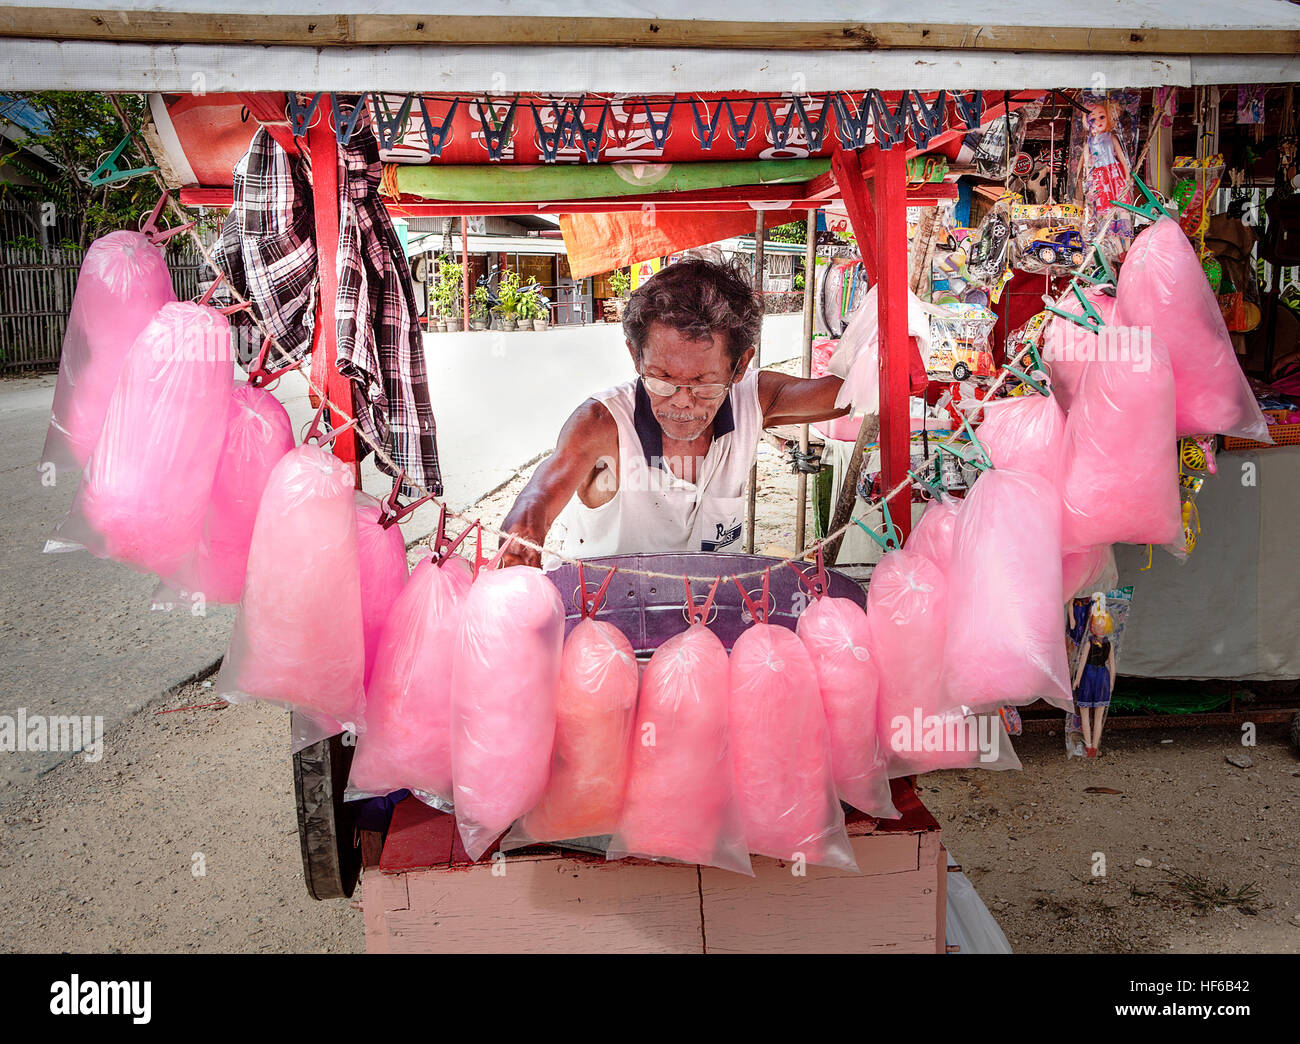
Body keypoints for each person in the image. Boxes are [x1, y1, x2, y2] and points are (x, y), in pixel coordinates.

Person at [501, 257, 850, 567]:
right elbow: (543, 489)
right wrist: (526, 525)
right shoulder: (603, 423)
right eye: (662, 378)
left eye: (703, 383)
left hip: (712, 618)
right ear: (637, 357)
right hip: (606, 625)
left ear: (740, 365)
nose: (682, 401)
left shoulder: (752, 399)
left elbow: (845, 394)